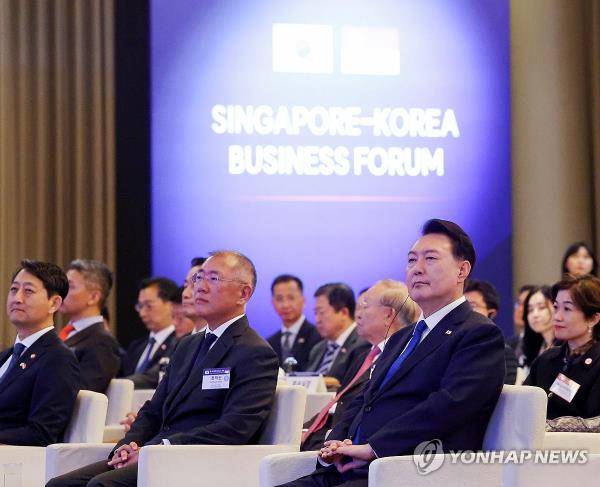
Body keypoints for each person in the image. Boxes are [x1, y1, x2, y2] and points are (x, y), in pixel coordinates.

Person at [279, 219, 505, 487]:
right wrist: (337, 442)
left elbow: (449, 407)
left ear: (462, 270)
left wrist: (374, 447)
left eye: (430, 259)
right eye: (411, 260)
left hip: (406, 471)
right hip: (348, 468)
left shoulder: (477, 334)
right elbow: (364, 397)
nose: (417, 269)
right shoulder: (401, 338)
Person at [47, 250, 279, 487]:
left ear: (244, 293)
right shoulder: (187, 344)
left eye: (213, 278)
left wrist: (160, 449)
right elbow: (154, 409)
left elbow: (235, 428)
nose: (200, 287)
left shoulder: (254, 352)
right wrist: (130, 444)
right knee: (60, 484)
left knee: (101, 485)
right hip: (155, 451)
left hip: (194, 460)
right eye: (199, 278)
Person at [301, 279, 419, 451]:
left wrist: (324, 438)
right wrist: (305, 430)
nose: (357, 315)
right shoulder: (363, 356)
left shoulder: (403, 360)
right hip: (328, 440)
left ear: (388, 315)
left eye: (365, 306)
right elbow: (340, 402)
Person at [0, 260, 80, 446]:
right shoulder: (7, 355)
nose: (17, 298)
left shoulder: (58, 358)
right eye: (13, 289)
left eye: (28, 291)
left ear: (54, 303)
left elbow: (41, 432)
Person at [525, 274, 600, 419]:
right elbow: (523, 402)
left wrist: (548, 427)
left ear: (593, 318)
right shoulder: (547, 359)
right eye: (555, 307)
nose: (557, 317)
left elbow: (595, 423)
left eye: (567, 309)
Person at [59, 259, 121, 393]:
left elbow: (82, 394)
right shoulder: (64, 332)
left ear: (93, 297)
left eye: (70, 286)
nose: (61, 292)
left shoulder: (102, 342)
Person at [119, 277, 179, 388]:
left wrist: (119, 384)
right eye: (140, 306)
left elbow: (153, 378)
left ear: (171, 305)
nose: (142, 313)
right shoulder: (136, 346)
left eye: (148, 306)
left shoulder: (179, 343)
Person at [305, 283, 370, 384]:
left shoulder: (363, 344)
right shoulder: (317, 349)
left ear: (343, 312)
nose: (317, 320)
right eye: (315, 313)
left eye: (321, 312)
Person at [464, 279, 518, 384]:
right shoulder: (453, 346)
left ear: (491, 313)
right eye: (463, 306)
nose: (465, 311)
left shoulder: (503, 352)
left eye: (472, 306)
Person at [267, 274, 322, 372]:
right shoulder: (269, 343)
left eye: (291, 298)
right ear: (273, 303)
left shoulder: (318, 336)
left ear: (303, 300)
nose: (285, 305)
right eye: (279, 299)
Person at [521, 286, 555, 369]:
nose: (535, 314)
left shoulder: (568, 348)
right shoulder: (536, 347)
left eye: (541, 307)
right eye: (530, 310)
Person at [507, 284, 535, 351]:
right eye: (519, 303)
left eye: (526, 305)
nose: (520, 309)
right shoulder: (508, 345)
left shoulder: (546, 345)